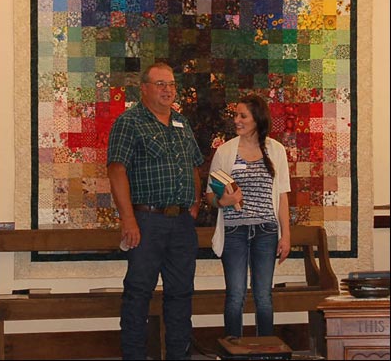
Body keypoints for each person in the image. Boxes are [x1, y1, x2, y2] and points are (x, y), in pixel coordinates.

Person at [107, 62, 204, 360]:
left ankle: (178, 355)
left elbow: (194, 165)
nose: (168, 90)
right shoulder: (130, 122)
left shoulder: (181, 122)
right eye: (161, 84)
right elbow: (116, 170)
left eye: (172, 84)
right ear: (144, 88)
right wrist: (129, 220)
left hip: (181, 226)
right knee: (138, 294)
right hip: (146, 222)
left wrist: (195, 204)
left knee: (181, 294)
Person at [206, 94, 291, 338]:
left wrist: (286, 236)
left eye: (243, 116)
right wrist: (224, 201)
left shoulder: (276, 150)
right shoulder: (225, 152)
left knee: (263, 296)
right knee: (235, 295)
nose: (237, 120)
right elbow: (210, 195)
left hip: (266, 231)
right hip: (234, 232)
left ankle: (266, 349)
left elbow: (283, 196)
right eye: (236, 115)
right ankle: (233, 349)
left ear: (257, 119)